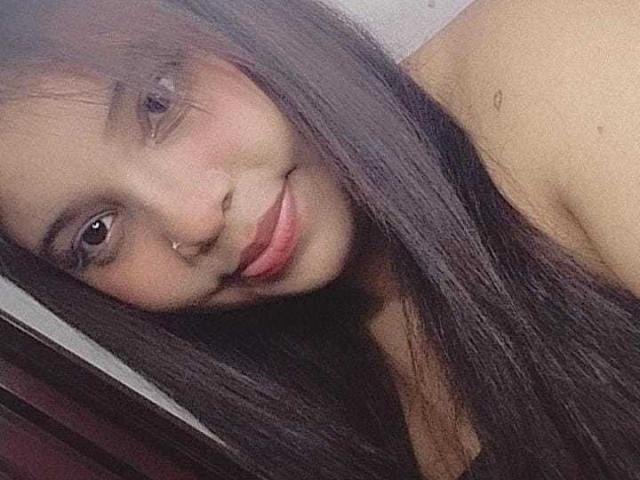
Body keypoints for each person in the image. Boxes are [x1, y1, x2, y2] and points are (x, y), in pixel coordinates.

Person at [1, 0, 639, 479]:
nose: (195, 221)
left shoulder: (551, 61)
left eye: (157, 101)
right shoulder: (328, 398)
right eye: (96, 233)